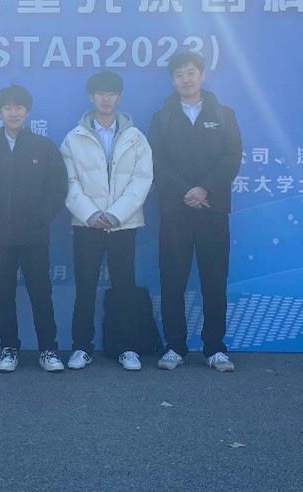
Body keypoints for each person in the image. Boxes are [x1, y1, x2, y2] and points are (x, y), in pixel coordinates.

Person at [148, 51, 243, 373]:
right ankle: (174, 347)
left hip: (212, 210)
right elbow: (155, 161)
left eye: (190, 73)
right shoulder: (162, 118)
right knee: (172, 281)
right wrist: (185, 192)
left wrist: (204, 189)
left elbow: (232, 158)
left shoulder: (224, 115)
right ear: (172, 80)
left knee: (214, 281)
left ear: (202, 75)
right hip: (175, 211)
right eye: (179, 75)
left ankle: (215, 348)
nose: (185, 79)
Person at [60, 70, 154, 371]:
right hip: (87, 225)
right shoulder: (74, 138)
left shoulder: (135, 137)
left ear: (119, 98)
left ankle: (127, 348)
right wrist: (91, 214)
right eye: (100, 93)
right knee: (85, 287)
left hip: (123, 224)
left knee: (124, 286)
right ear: (91, 97)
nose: (105, 98)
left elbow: (142, 180)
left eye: (111, 93)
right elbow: (69, 182)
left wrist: (116, 214)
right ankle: (81, 347)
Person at [0, 84, 69, 373]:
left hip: (34, 236)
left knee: (41, 294)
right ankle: (9, 349)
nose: (13, 112)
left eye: (18, 107)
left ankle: (48, 349)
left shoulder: (43, 146)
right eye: (7, 107)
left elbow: (58, 187)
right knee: (4, 295)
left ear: (27, 112)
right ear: (0, 112)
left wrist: (40, 217)